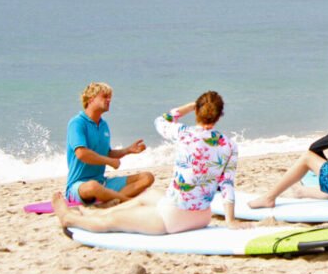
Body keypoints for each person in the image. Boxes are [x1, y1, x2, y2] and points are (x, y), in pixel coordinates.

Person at [52, 91, 243, 233]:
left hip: (173, 217)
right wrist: (230, 220)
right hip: (202, 217)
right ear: (219, 115)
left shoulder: (184, 133)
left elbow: (161, 120)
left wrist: (190, 105)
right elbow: (227, 185)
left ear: (197, 111)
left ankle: (68, 218)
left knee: (110, 222)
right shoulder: (229, 145)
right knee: (149, 195)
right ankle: (96, 212)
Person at [64, 82, 154, 206]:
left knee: (147, 177)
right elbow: (82, 154)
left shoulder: (103, 125)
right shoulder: (77, 123)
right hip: (79, 185)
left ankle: (111, 200)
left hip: (103, 183)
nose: (109, 100)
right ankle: (127, 200)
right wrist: (109, 161)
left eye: (110, 97)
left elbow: (107, 153)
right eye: (105, 96)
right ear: (91, 99)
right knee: (93, 187)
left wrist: (128, 150)